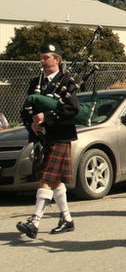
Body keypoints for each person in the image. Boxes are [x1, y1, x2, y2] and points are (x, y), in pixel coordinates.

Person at [17, 42, 80, 239]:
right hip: (42, 137)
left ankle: (34, 222)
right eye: (41, 57)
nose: (42, 61)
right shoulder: (35, 82)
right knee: (54, 180)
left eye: (46, 57)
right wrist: (32, 126)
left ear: (57, 60)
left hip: (60, 135)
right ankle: (67, 220)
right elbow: (26, 108)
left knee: (46, 177)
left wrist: (47, 117)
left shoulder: (67, 82)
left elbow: (72, 109)